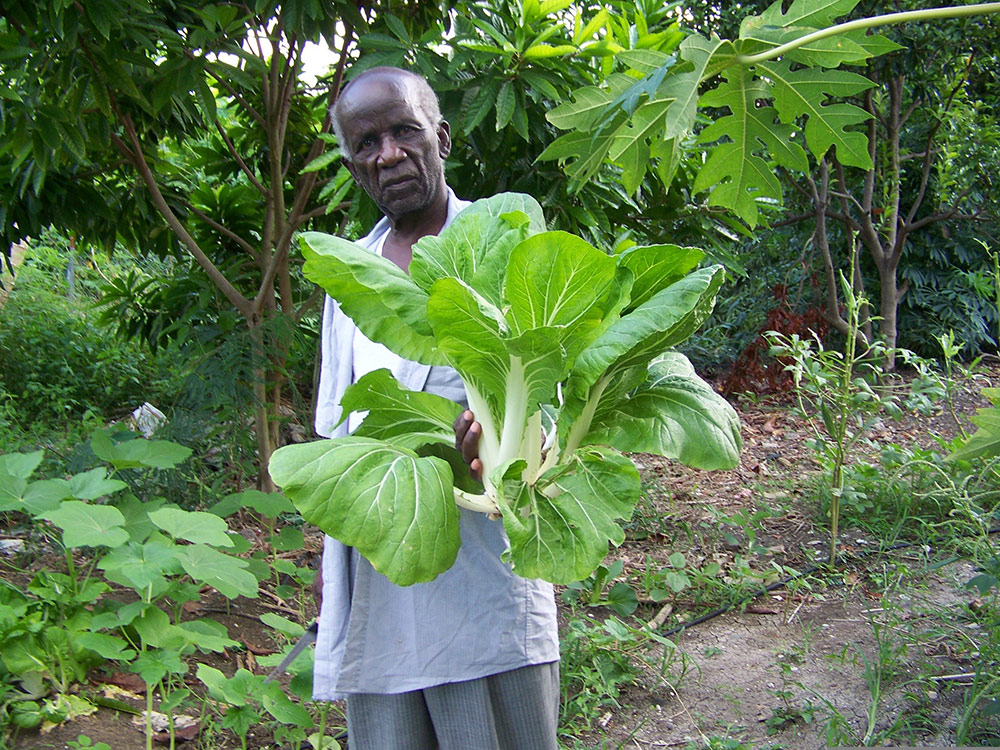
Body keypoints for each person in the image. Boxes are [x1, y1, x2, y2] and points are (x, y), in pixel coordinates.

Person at [311, 66, 560, 750]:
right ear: (352, 164)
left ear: (442, 138)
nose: (386, 154)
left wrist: (506, 439)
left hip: (486, 580)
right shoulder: (348, 275)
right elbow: (335, 432)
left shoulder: (504, 241)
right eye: (365, 144)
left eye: (404, 131)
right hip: (383, 586)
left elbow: (554, 404)